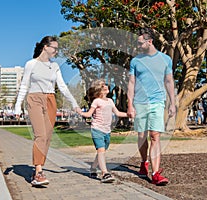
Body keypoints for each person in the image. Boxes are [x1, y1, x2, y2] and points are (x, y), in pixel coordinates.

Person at [14, 36, 81, 186]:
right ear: (45, 47)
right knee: (40, 135)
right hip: (34, 99)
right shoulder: (31, 64)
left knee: (48, 137)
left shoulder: (55, 66)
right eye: (54, 48)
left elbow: (62, 86)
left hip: (51, 100)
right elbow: (24, 85)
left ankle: (39, 167)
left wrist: (74, 103)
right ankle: (38, 172)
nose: (56, 51)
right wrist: (17, 106)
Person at [127, 28, 176, 186]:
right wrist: (130, 105)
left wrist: (173, 103)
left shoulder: (165, 59)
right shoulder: (135, 61)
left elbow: (169, 81)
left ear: (150, 42)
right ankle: (143, 162)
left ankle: (155, 173)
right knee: (142, 137)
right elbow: (131, 84)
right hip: (140, 103)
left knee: (155, 135)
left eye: (141, 43)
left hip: (157, 102)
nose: (138, 46)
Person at [80, 79, 128, 183]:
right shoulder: (96, 101)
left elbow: (118, 113)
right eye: (102, 86)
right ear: (98, 90)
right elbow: (88, 114)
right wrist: (79, 112)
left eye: (105, 85)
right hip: (97, 129)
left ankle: (93, 168)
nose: (106, 87)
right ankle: (105, 173)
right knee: (101, 151)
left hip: (107, 131)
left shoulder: (110, 101)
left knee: (101, 152)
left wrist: (129, 114)